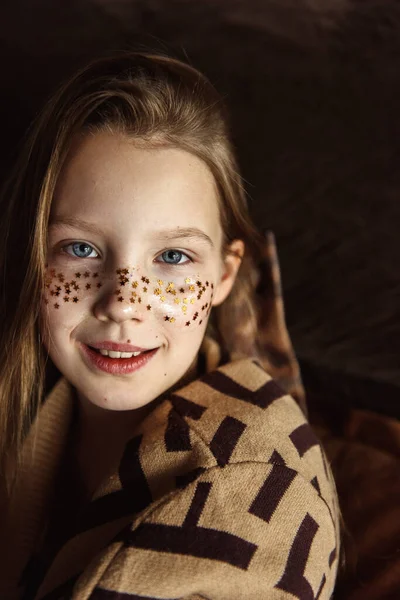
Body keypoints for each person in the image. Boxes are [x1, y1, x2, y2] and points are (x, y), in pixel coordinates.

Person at [0, 51, 340, 599]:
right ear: (31, 257)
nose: (123, 304)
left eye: (174, 258)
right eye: (81, 248)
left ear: (225, 273)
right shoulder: (29, 401)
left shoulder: (251, 493)